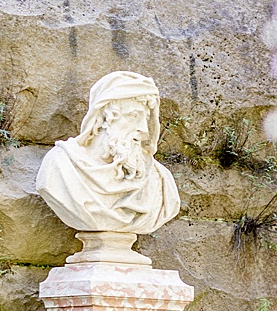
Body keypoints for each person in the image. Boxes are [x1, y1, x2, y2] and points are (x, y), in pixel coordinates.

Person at [33, 70, 180, 237]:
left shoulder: (159, 179)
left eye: (145, 118)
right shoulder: (60, 166)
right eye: (133, 115)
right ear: (104, 117)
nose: (143, 129)